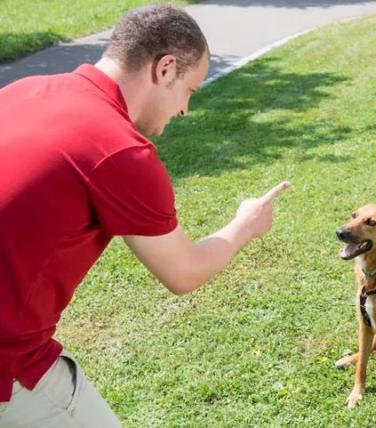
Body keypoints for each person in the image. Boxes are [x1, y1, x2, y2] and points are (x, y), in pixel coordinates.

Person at [0, 5, 290, 427]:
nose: (185, 110)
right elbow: (184, 272)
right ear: (166, 68)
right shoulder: (119, 151)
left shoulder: (20, 91)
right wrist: (245, 224)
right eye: (190, 90)